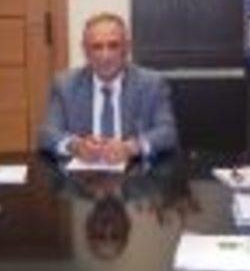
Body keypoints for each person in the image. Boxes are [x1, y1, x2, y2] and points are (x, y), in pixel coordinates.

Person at [38, 12, 178, 163]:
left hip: (135, 173)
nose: (106, 56)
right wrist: (75, 146)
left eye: (113, 46)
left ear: (127, 48)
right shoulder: (65, 85)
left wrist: (131, 148)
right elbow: (47, 134)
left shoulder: (151, 84)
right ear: (85, 51)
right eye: (97, 47)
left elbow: (167, 133)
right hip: (82, 173)